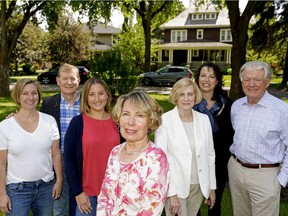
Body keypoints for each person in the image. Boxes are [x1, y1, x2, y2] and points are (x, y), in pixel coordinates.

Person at [228, 60, 288, 216]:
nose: (251, 84)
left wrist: (281, 179)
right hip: (236, 169)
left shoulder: (282, 110)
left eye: (257, 80)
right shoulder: (236, 106)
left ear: (267, 83)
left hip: (265, 175)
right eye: (247, 79)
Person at [96, 91, 169, 215]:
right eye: (126, 114)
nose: (131, 122)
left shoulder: (156, 159)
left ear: (150, 121)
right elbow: (104, 196)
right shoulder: (115, 152)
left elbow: (150, 210)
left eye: (139, 115)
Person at [0, 79, 62, 215]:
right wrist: (2, 194)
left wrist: (59, 181)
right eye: (25, 93)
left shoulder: (49, 121)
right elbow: (1, 163)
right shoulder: (5, 126)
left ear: (39, 95)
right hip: (17, 190)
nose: (30, 97)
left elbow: (56, 153)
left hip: (46, 186)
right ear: (18, 97)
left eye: (34, 93)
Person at [155, 78, 216, 216]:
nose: (186, 98)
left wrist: (211, 187)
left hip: (199, 186)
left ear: (196, 96)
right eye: (182, 94)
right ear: (175, 97)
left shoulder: (204, 120)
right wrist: (171, 193)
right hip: (176, 187)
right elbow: (161, 161)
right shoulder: (165, 121)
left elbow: (210, 155)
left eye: (190, 94)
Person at [64, 77, 122, 215]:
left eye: (101, 93)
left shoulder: (118, 122)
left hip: (114, 192)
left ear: (107, 95)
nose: (97, 98)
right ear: (86, 98)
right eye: (92, 94)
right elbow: (69, 160)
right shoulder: (77, 123)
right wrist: (78, 192)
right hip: (86, 194)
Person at [40, 63, 81, 216]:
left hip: (82, 160)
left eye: (73, 78)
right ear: (58, 81)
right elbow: (38, 126)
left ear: (78, 80)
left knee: (83, 203)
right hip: (59, 160)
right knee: (59, 205)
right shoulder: (49, 103)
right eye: (64, 78)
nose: (69, 82)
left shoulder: (87, 102)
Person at [193, 62, 234, 216]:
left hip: (218, 164)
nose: (206, 80)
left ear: (217, 81)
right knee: (193, 205)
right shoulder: (188, 104)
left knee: (214, 205)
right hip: (194, 162)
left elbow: (231, 135)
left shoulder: (228, 105)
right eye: (203, 75)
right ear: (197, 79)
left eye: (212, 77)